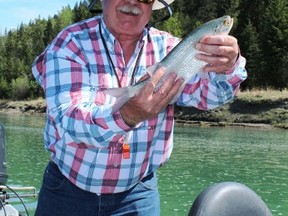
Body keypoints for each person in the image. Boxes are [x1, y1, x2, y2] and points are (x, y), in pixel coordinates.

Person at [32, 0, 247, 215]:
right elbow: (71, 122)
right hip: (66, 192)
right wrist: (127, 116)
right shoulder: (70, 43)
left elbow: (211, 97)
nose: (132, 2)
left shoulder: (170, 47)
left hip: (138, 194)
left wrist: (229, 67)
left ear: (152, 6)